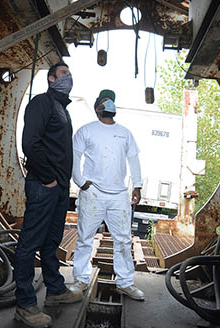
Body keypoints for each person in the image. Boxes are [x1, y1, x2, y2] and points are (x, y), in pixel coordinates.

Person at [15, 62, 82, 328]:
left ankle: (55, 289)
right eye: (64, 74)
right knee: (29, 244)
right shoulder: (41, 103)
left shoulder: (61, 109)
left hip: (58, 189)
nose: (69, 77)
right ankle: (25, 305)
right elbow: (30, 143)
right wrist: (49, 178)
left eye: (69, 74)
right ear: (52, 79)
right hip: (44, 186)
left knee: (52, 241)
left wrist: (62, 184)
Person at [72, 89, 145, 301]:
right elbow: (75, 156)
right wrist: (80, 181)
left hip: (119, 195)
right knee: (85, 238)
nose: (109, 105)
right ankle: (81, 279)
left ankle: (125, 283)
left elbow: (133, 159)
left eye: (111, 101)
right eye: (104, 102)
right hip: (92, 193)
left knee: (122, 240)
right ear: (97, 108)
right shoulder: (86, 130)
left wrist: (137, 186)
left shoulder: (125, 133)